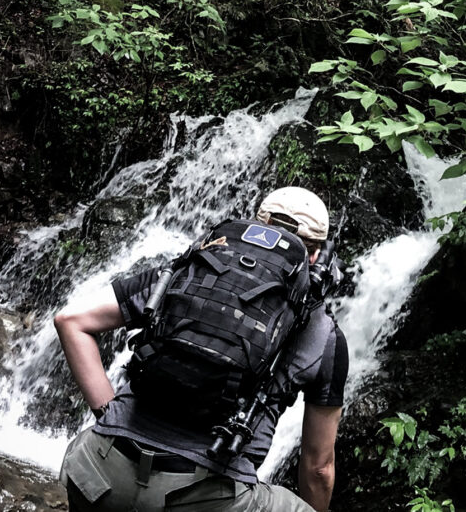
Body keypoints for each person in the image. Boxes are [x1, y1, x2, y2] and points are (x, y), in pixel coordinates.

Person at [55, 187, 349, 512]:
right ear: (315, 255)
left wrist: (110, 416)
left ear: (256, 225)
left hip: (95, 472)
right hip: (202, 497)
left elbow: (71, 320)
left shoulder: (186, 272)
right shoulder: (324, 333)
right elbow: (319, 470)